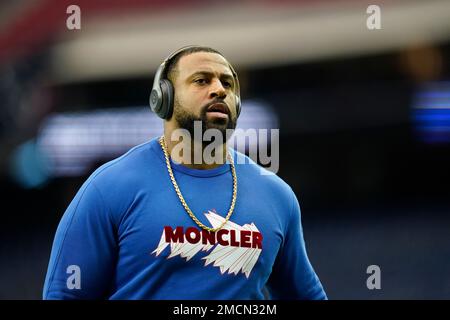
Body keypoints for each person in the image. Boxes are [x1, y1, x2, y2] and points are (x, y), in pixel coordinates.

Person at [43, 45, 327, 300]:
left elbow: (306, 294)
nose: (219, 90)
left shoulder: (276, 195)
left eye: (227, 83)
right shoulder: (109, 188)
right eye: (202, 80)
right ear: (163, 98)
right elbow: (65, 294)